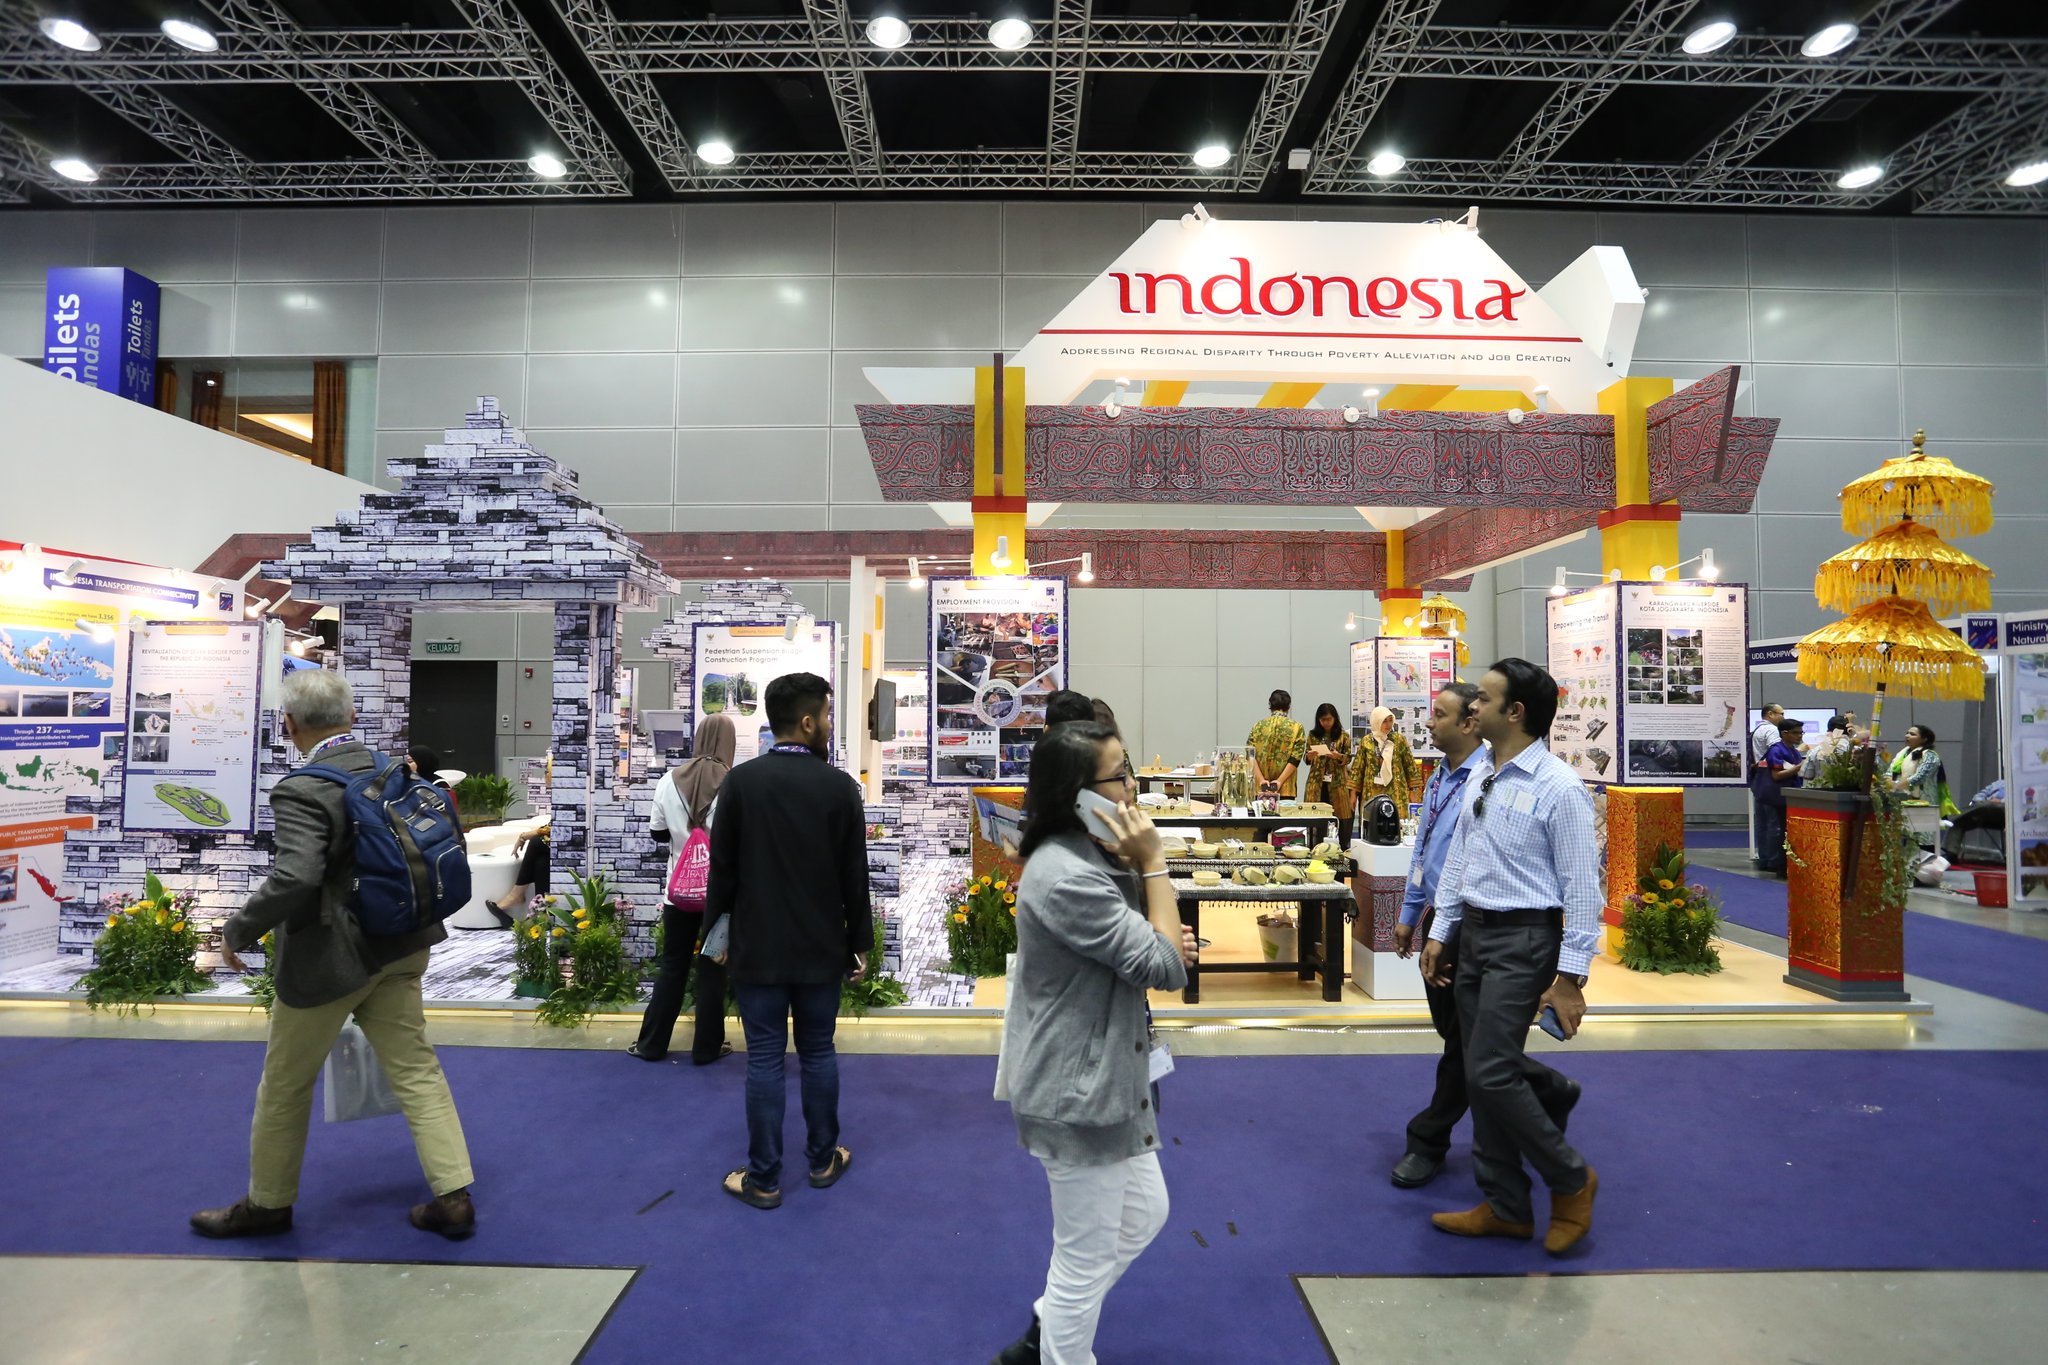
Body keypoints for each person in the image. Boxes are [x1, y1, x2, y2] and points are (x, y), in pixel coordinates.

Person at [192, 670, 476, 1241]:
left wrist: (237, 931)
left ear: (289, 725)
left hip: (331, 961)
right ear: (351, 716)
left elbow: (297, 876)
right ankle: (453, 1196)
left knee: (285, 1085)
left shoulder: (301, 789)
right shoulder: (391, 768)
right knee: (417, 1071)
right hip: (402, 942)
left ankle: (268, 1205)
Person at [991, 722, 1197, 1365]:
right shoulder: (1066, 874)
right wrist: (1153, 862)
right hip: (1077, 1088)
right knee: (1083, 1260)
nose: (1132, 786)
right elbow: (1166, 967)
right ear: (1078, 793)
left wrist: (1155, 928)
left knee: (1145, 1213)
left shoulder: (1090, 854)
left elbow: (1153, 948)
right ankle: (1058, 1348)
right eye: (1119, 775)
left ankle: (1048, 1327)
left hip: (1107, 1077)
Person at [1419, 657, 1599, 1256]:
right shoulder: (1482, 773)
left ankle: (1571, 1178)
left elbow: (1583, 890)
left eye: (1484, 698)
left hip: (1525, 940)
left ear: (1515, 712)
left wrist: (1570, 978)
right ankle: (1505, 1206)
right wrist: (1443, 930)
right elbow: (1463, 859)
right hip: (1474, 932)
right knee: (1480, 1072)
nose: (1472, 706)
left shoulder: (1560, 788)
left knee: (1492, 1071)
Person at [1390, 682, 1579, 1190]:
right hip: (1448, 919)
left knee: (1466, 1049)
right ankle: (1545, 1088)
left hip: (1497, 929)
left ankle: (1428, 1139)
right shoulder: (1447, 777)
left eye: (1441, 713)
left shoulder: (1532, 780)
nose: (1430, 722)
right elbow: (1431, 850)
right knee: (1467, 1043)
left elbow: (1580, 885)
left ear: (1473, 723)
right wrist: (1414, 912)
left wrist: (1571, 974)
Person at [707, 672, 871, 1210]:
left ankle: (764, 1179)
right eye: (826, 715)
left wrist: (716, 936)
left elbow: (722, 872)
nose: (829, 724)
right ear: (806, 721)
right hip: (821, 947)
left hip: (757, 947)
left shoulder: (741, 783)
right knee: (819, 1051)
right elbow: (854, 877)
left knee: (764, 1059)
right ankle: (823, 1160)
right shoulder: (839, 788)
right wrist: (860, 942)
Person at [630, 712, 735, 1065]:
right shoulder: (734, 784)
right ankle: (707, 1048)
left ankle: (651, 1044)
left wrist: (683, 834)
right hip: (718, 898)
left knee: (673, 966)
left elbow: (657, 833)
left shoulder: (667, 780)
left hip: (678, 894)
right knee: (712, 968)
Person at [1351, 704, 1419, 810]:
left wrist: (1413, 791)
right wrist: (1353, 794)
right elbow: (1357, 769)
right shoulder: (1366, 741)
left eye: (1390, 720)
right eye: (1384, 721)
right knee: (1373, 818)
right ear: (1376, 721)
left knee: (1396, 818)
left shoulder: (1399, 740)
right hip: (1372, 792)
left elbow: (1410, 766)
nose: (1388, 724)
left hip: (1397, 791)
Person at [1246, 689, 1306, 799]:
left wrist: (1261, 780)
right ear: (1288, 706)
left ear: (1270, 705)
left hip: (1260, 789)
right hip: (1285, 789)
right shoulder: (1296, 727)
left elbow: (1250, 756)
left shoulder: (1258, 726)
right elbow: (1295, 758)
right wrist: (1279, 781)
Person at [1303, 702, 1354, 823]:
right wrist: (1309, 756)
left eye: (1329, 719)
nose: (1326, 723)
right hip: (1316, 782)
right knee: (1315, 818)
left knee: (1340, 817)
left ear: (1335, 719)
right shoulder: (1313, 735)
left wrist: (1338, 756)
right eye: (1323, 720)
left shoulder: (1344, 736)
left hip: (1337, 782)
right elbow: (1306, 758)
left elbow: (1348, 758)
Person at [1748, 703, 1784, 864]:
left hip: (1758, 779)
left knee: (1762, 822)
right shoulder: (1771, 730)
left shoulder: (1757, 730)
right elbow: (1776, 752)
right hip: (1770, 779)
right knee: (1773, 821)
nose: (1783, 717)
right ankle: (1773, 860)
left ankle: (1764, 857)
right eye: (1781, 713)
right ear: (1770, 714)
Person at [1890, 724, 1945, 806]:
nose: (1907, 736)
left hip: (1924, 801)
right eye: (1907, 733)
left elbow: (1921, 777)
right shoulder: (1902, 754)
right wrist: (1888, 781)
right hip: (1903, 799)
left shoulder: (1930, 755)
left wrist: (1898, 786)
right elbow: (1889, 772)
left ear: (1924, 739)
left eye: (1912, 734)